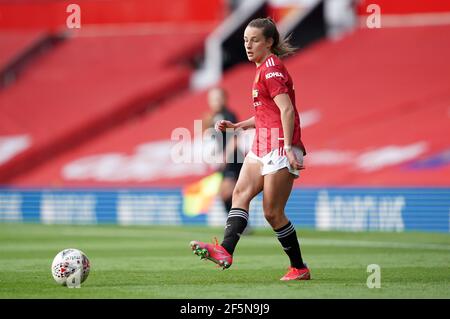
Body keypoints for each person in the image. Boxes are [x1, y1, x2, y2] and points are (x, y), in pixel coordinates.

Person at [190, 17, 310, 281]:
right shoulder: (262, 69)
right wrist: (239, 125)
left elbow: (286, 109)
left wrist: (289, 147)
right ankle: (225, 250)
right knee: (239, 193)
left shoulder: (272, 69)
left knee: (272, 213)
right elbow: (266, 113)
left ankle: (299, 267)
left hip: (279, 146)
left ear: (269, 42)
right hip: (261, 144)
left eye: (254, 40)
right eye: (246, 40)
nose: (248, 44)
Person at [202, 87, 244, 216]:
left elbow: (235, 138)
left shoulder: (228, 115)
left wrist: (225, 157)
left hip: (233, 159)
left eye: (218, 98)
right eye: (213, 99)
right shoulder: (210, 118)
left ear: (224, 99)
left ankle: (238, 223)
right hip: (222, 161)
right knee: (224, 194)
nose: (216, 102)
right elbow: (210, 140)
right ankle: (237, 223)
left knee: (227, 192)